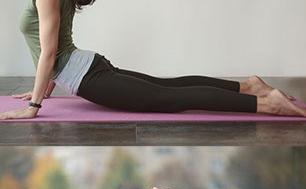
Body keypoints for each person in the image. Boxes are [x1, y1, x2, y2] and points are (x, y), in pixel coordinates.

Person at [1, 0, 305, 120]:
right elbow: (52, 48)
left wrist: (34, 107)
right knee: (167, 87)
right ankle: (248, 85)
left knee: (168, 98)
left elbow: (51, 51)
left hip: (86, 75)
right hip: (87, 66)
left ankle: (266, 103)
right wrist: (43, 90)